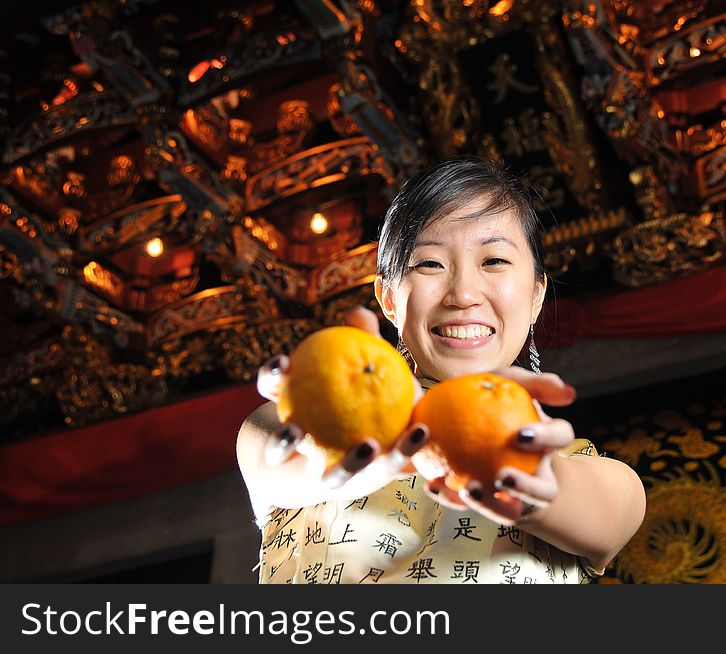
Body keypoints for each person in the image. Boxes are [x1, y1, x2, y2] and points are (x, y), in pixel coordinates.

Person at [237, 157, 646, 584]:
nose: (464, 294)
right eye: (429, 263)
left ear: (536, 297)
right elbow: (286, 460)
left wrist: (522, 473)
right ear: (389, 299)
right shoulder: (288, 424)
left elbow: (599, 508)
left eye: (495, 261)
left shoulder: (597, 477)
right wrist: (366, 440)